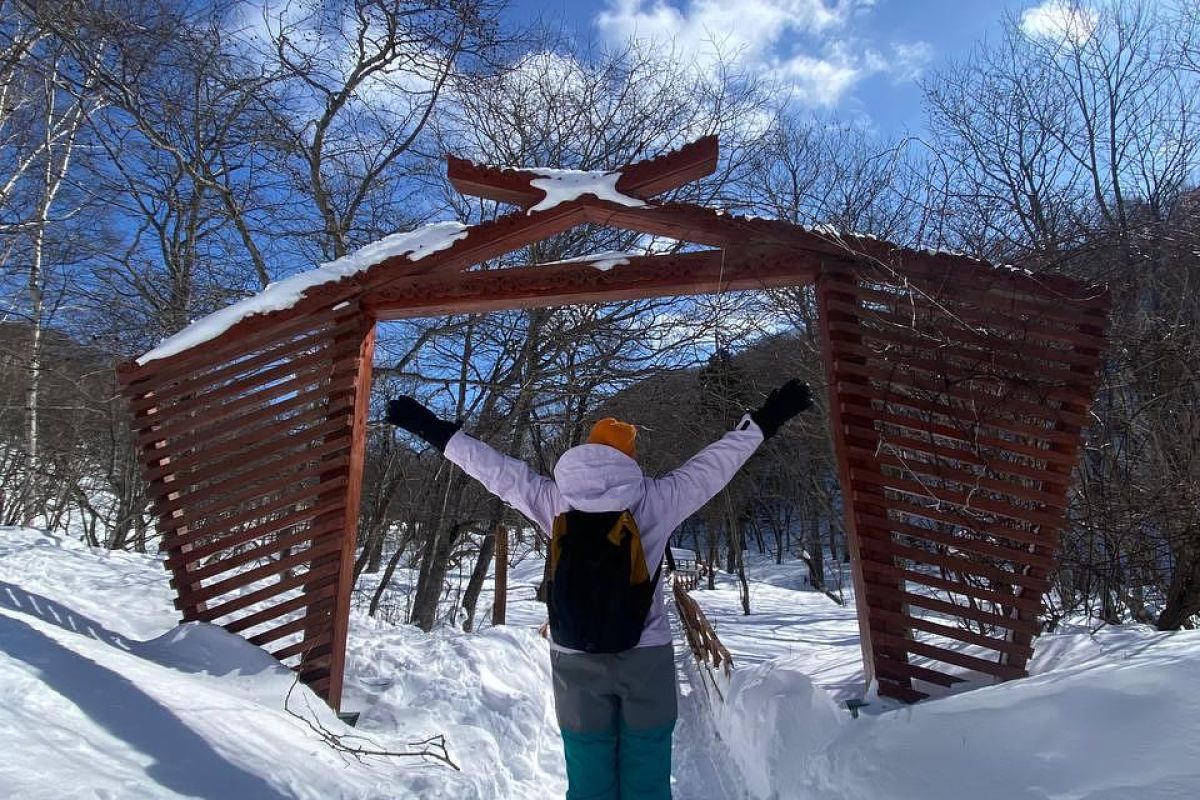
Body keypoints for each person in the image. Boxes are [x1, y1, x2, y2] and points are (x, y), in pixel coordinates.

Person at [386, 379, 813, 799]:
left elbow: (494, 470)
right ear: (629, 458)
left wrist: (433, 429)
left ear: (587, 451)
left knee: (589, 776)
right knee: (646, 775)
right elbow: (715, 465)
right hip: (646, 656)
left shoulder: (554, 501)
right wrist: (762, 421)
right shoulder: (658, 499)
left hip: (575, 659)